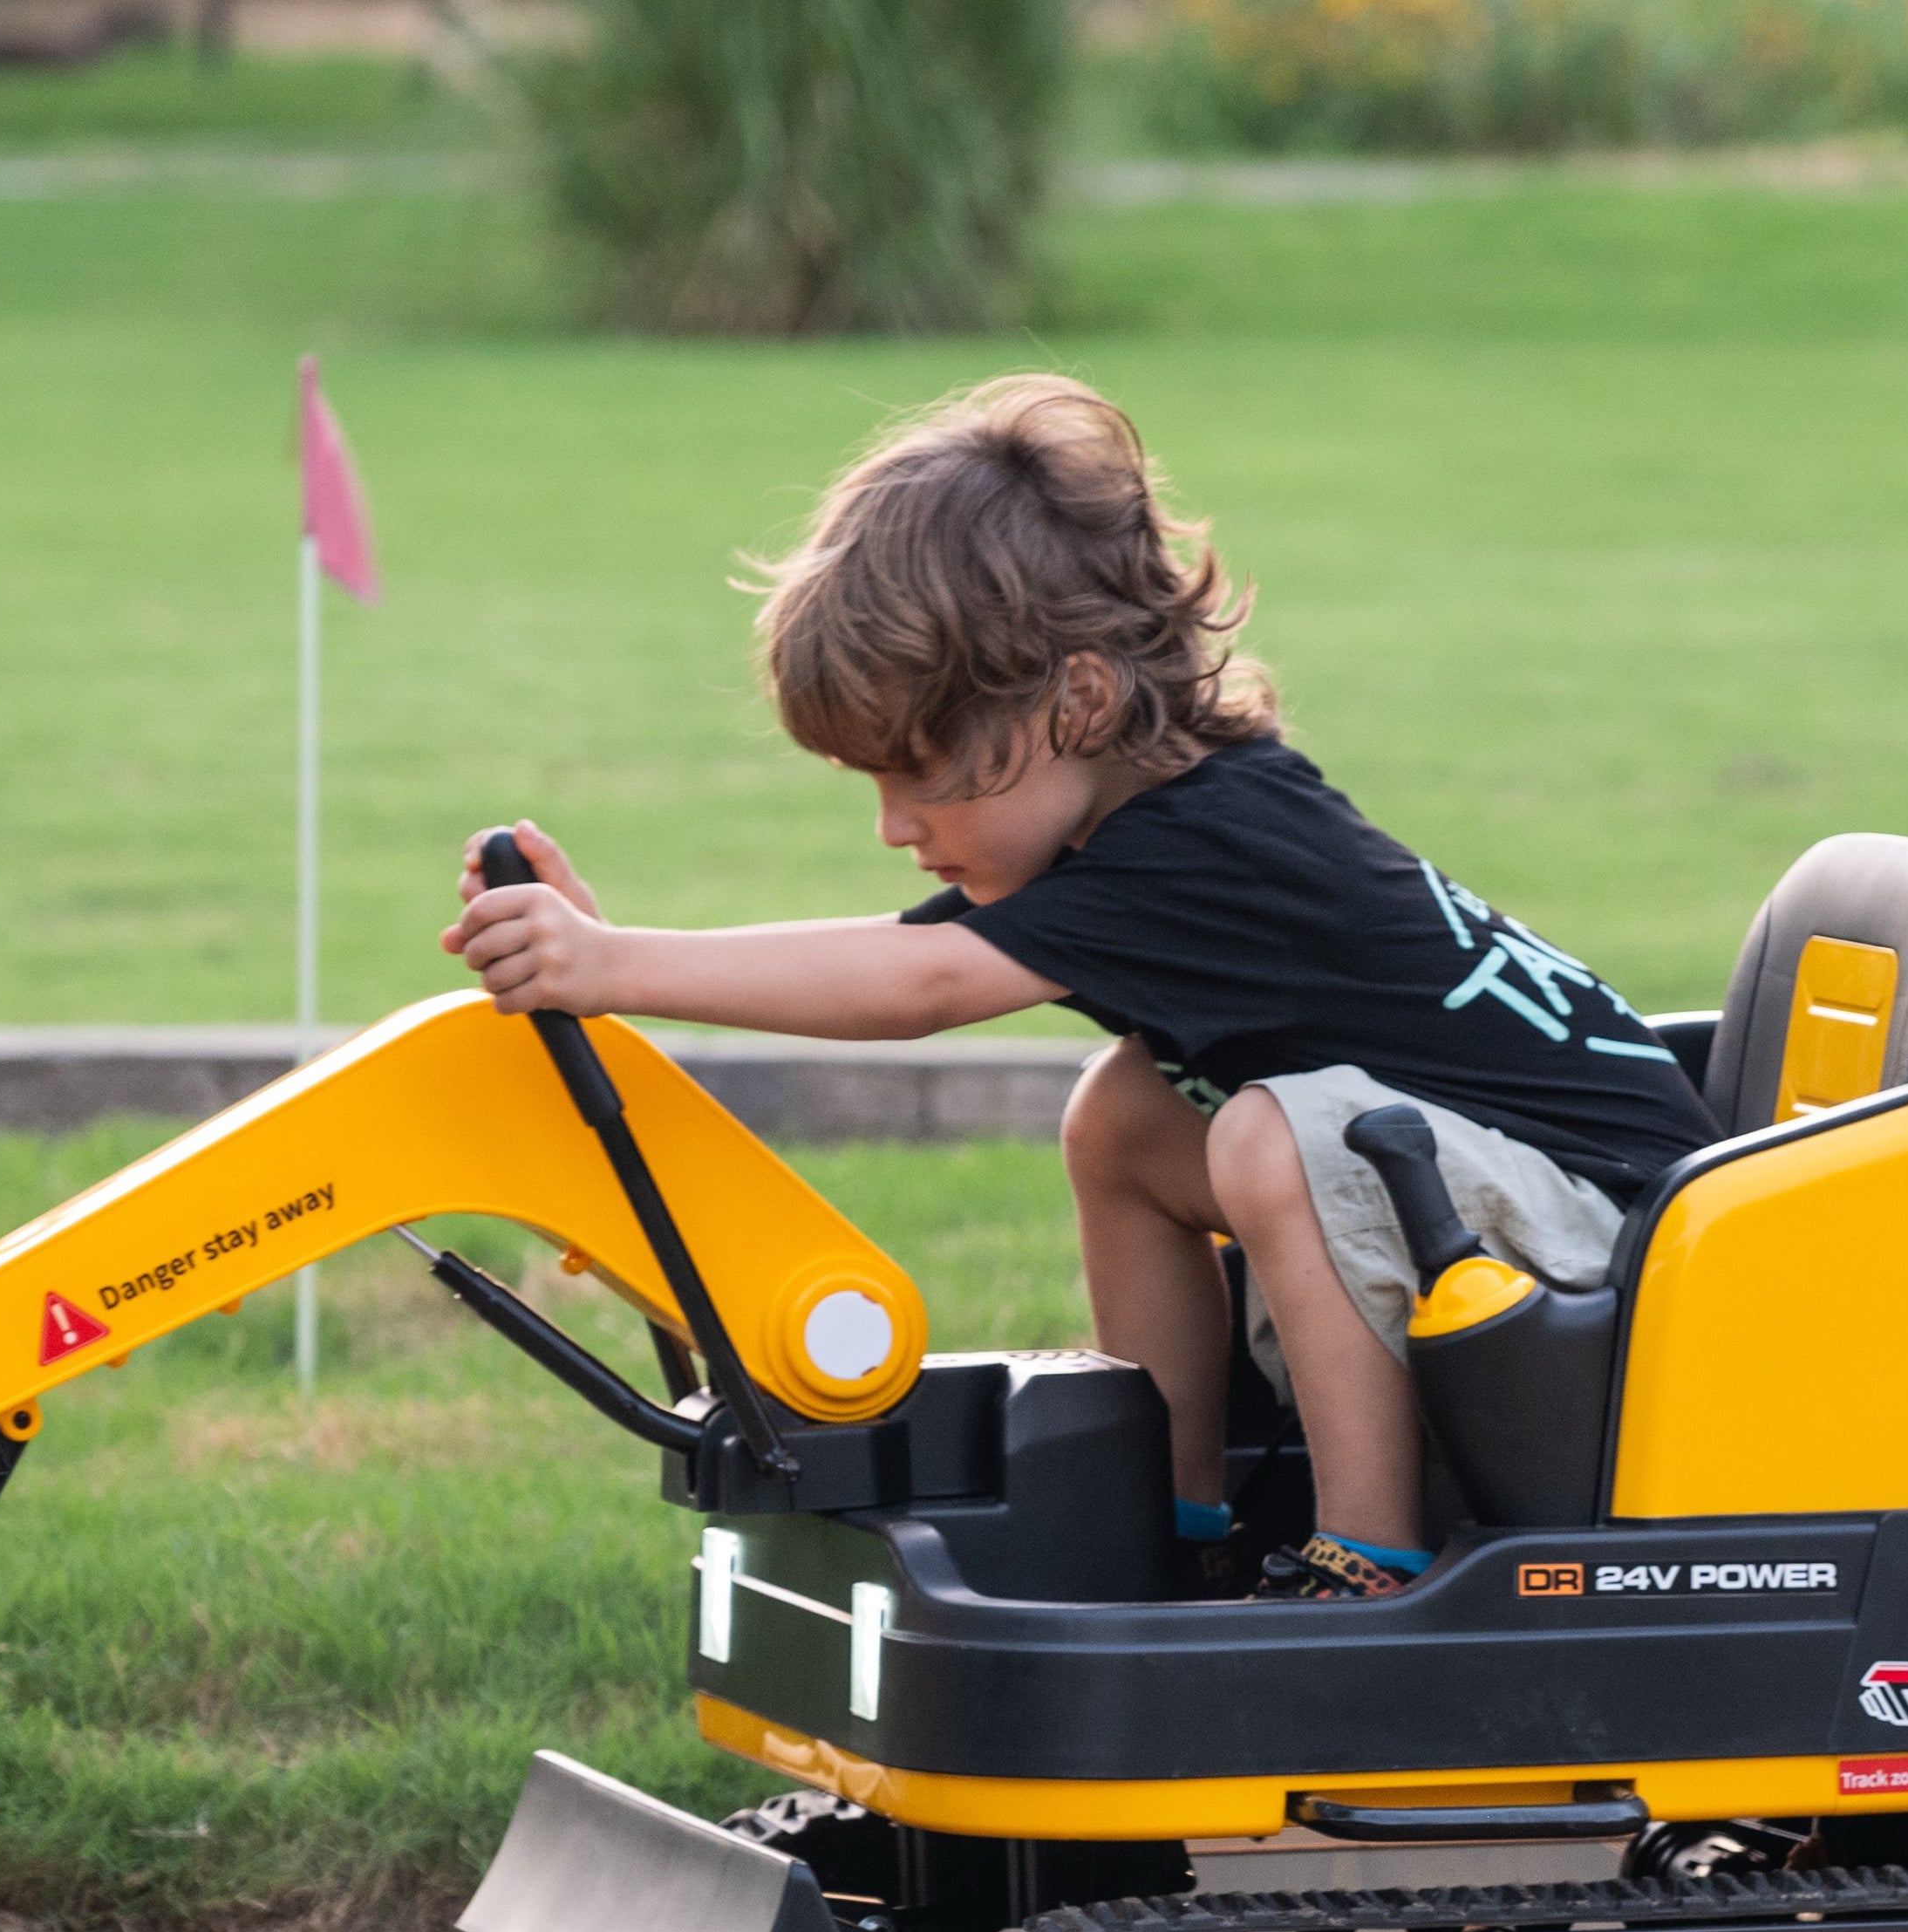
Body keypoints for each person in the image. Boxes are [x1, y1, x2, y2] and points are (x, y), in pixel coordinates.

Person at [442, 373, 1714, 1600]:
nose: (894, 823)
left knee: (1272, 1132)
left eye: (924, 771)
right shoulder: (1144, 832)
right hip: (1523, 1218)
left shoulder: (1214, 846)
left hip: (1623, 1267)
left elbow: (919, 983)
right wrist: (622, 959)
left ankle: (1371, 1561)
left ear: (1081, 700)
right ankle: (1172, 1516)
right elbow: (895, 951)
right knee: (1129, 1112)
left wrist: (617, 968)